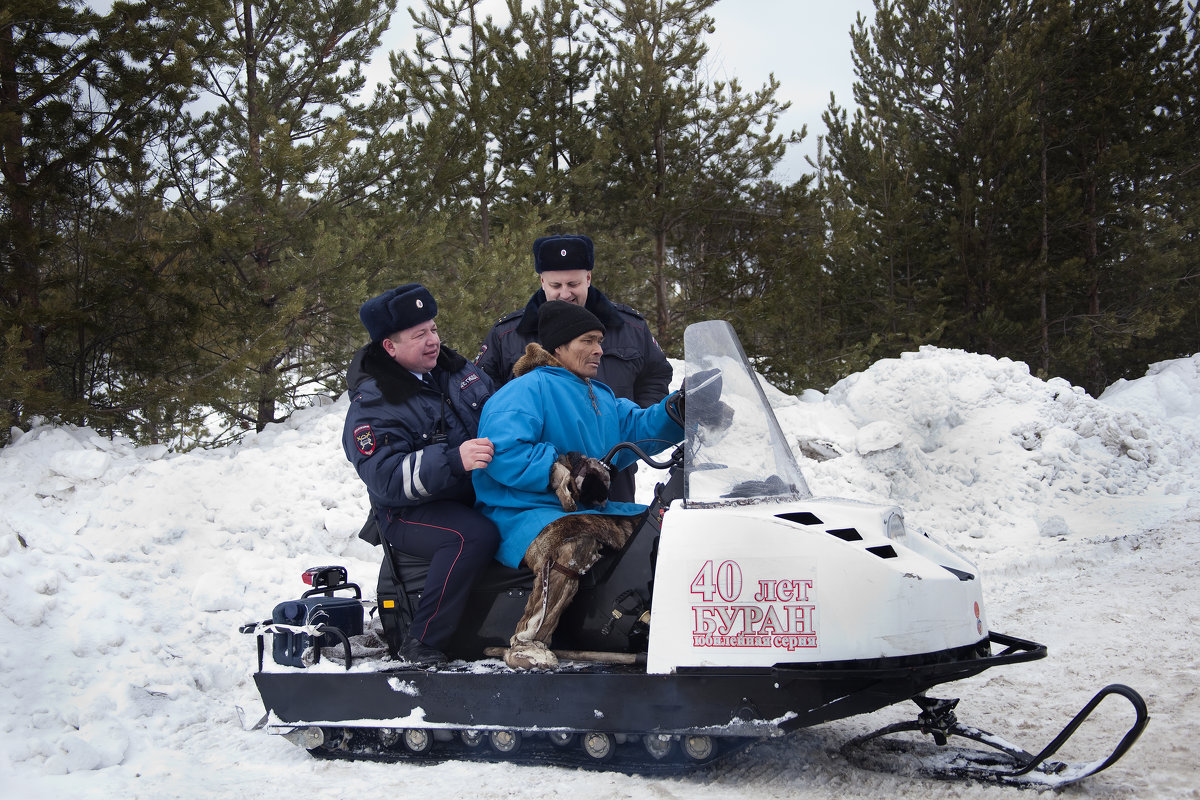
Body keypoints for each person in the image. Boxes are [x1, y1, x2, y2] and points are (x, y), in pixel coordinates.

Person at [473, 301, 684, 670]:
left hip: (581, 508)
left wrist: (675, 411)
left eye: (600, 340)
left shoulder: (597, 394)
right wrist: (559, 472)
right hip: (521, 510)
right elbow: (502, 450)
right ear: (558, 347)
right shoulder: (524, 390)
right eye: (588, 340)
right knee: (572, 542)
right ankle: (528, 640)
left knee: (657, 530)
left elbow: (636, 429)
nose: (599, 349)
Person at [342, 283, 499, 669]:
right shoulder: (374, 404)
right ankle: (423, 641)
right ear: (389, 347)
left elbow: (501, 410)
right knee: (471, 536)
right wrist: (454, 460)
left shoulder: (459, 372)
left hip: (471, 492)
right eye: (419, 335)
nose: (433, 341)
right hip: (408, 512)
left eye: (433, 329)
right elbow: (387, 478)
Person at [474, 234, 672, 503]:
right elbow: (484, 396)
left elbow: (655, 377)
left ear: (588, 278)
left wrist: (625, 426)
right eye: (555, 284)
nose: (564, 293)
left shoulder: (630, 327)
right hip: (538, 483)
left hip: (615, 464)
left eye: (573, 283)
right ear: (542, 280)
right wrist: (549, 462)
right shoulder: (507, 334)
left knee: (630, 539)